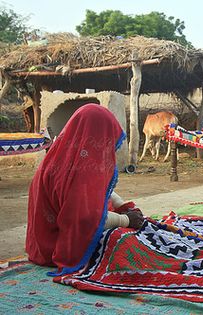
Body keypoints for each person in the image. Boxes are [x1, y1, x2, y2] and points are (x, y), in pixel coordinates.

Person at [26, 104, 144, 276]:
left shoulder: (64, 155)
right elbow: (85, 219)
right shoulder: (80, 171)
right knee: (125, 241)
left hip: (39, 244)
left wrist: (121, 204)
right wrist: (125, 220)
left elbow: (93, 191)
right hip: (55, 246)